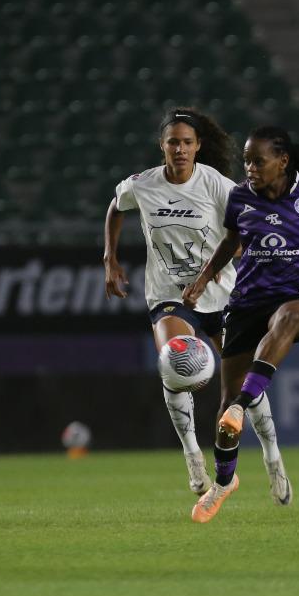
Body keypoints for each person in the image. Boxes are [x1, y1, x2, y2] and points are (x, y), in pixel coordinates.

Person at [182, 125, 299, 523]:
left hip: (298, 295)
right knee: (225, 407)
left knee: (287, 320)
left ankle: (244, 405)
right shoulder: (240, 197)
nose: (250, 168)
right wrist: (205, 279)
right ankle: (224, 482)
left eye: (257, 161)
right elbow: (230, 242)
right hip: (246, 302)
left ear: (282, 160)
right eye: (245, 161)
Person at [104, 108, 239, 495]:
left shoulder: (215, 184)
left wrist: (226, 267)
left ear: (198, 147)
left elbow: (241, 229)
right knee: (174, 363)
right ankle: (192, 455)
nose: (179, 148)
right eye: (172, 142)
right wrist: (109, 257)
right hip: (168, 294)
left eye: (187, 142)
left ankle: (262, 458)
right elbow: (117, 205)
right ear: (161, 146)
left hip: (220, 292)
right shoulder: (143, 185)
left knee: (241, 382)